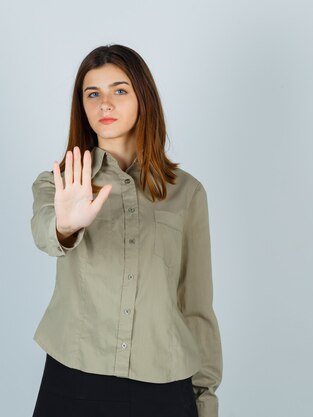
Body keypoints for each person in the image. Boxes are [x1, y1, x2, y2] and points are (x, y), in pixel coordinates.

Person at [30, 44, 223, 417]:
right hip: (74, 380)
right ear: (82, 106)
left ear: (143, 99)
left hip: (164, 385)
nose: (105, 103)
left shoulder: (187, 192)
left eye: (119, 90)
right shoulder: (59, 184)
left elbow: (196, 304)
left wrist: (205, 397)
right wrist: (65, 226)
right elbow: (44, 232)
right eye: (93, 94)